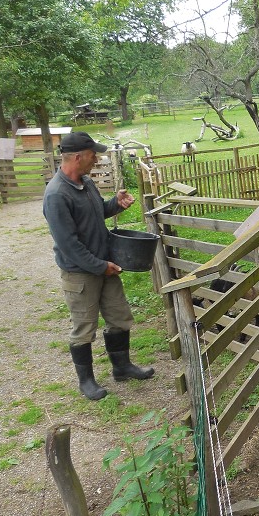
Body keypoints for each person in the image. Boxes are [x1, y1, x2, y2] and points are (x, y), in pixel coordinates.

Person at [43, 132, 154, 401]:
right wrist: (99, 266)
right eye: (94, 154)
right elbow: (69, 244)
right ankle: (87, 381)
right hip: (81, 272)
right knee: (84, 328)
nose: (97, 158)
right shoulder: (57, 195)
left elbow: (95, 214)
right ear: (78, 156)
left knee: (119, 317)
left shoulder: (86, 182)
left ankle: (122, 367)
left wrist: (115, 204)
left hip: (105, 265)